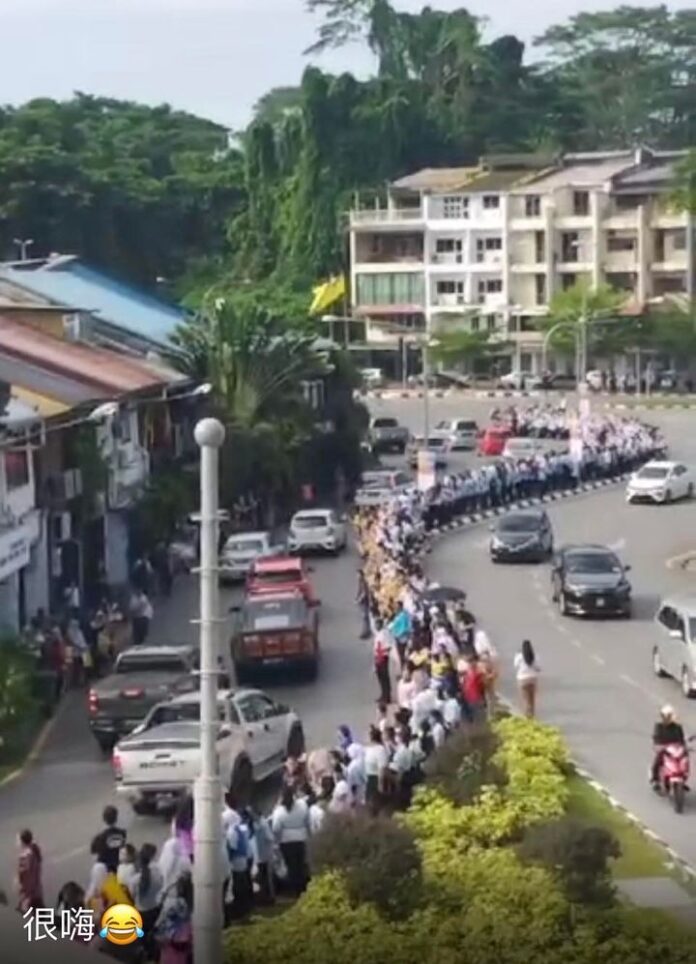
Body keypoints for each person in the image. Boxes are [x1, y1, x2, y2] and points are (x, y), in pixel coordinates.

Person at [271, 785, 310, 896]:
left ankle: (295, 890)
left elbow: (276, 828)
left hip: (286, 841)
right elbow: (307, 820)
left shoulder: (279, 811)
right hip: (301, 838)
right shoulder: (302, 805)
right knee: (301, 865)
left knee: (291, 866)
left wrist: (276, 841)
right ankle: (303, 888)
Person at [131, 843, 163, 958]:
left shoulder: (135, 880)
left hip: (141, 912)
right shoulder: (158, 872)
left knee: (142, 939)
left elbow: (132, 895)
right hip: (155, 909)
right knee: (153, 936)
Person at [155, 871, 192, 964]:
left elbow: (160, 924)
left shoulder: (172, 903)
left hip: (171, 944)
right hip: (182, 944)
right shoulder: (193, 904)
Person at [651, 704, 686, 787]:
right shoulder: (659, 726)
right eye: (665, 716)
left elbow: (681, 739)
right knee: (657, 761)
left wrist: (684, 747)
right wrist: (658, 745)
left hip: (675, 749)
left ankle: (683, 778)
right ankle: (655, 779)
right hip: (664, 749)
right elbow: (656, 737)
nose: (666, 718)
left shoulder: (677, 727)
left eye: (669, 716)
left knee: (684, 760)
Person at [91, 805, 127, 873]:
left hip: (105, 870)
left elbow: (94, 853)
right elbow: (122, 849)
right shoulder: (122, 834)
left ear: (104, 819)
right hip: (117, 867)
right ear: (116, 818)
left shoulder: (99, 837)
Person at [364, 725, 389, 815]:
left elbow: (382, 769)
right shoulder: (370, 749)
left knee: (376, 805)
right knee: (370, 805)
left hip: (376, 779)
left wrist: (380, 784)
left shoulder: (380, 750)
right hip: (370, 779)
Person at [16, 829, 43, 913]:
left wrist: (21, 887)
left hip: (30, 891)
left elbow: (24, 874)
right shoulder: (34, 849)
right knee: (39, 910)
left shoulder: (25, 856)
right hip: (36, 888)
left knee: (36, 912)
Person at [514, 639, 540, 718]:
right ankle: (532, 716)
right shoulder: (534, 655)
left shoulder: (519, 656)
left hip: (522, 679)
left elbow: (516, 666)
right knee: (532, 700)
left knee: (525, 700)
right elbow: (538, 667)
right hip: (532, 678)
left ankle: (526, 717)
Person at [373, 618, 393, 704]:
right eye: (375, 624)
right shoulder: (378, 634)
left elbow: (388, 646)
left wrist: (382, 652)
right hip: (378, 657)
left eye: (377, 624)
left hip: (383, 657)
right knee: (380, 677)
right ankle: (383, 695)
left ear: (381, 625)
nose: (376, 626)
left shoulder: (385, 634)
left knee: (384, 677)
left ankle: (387, 696)